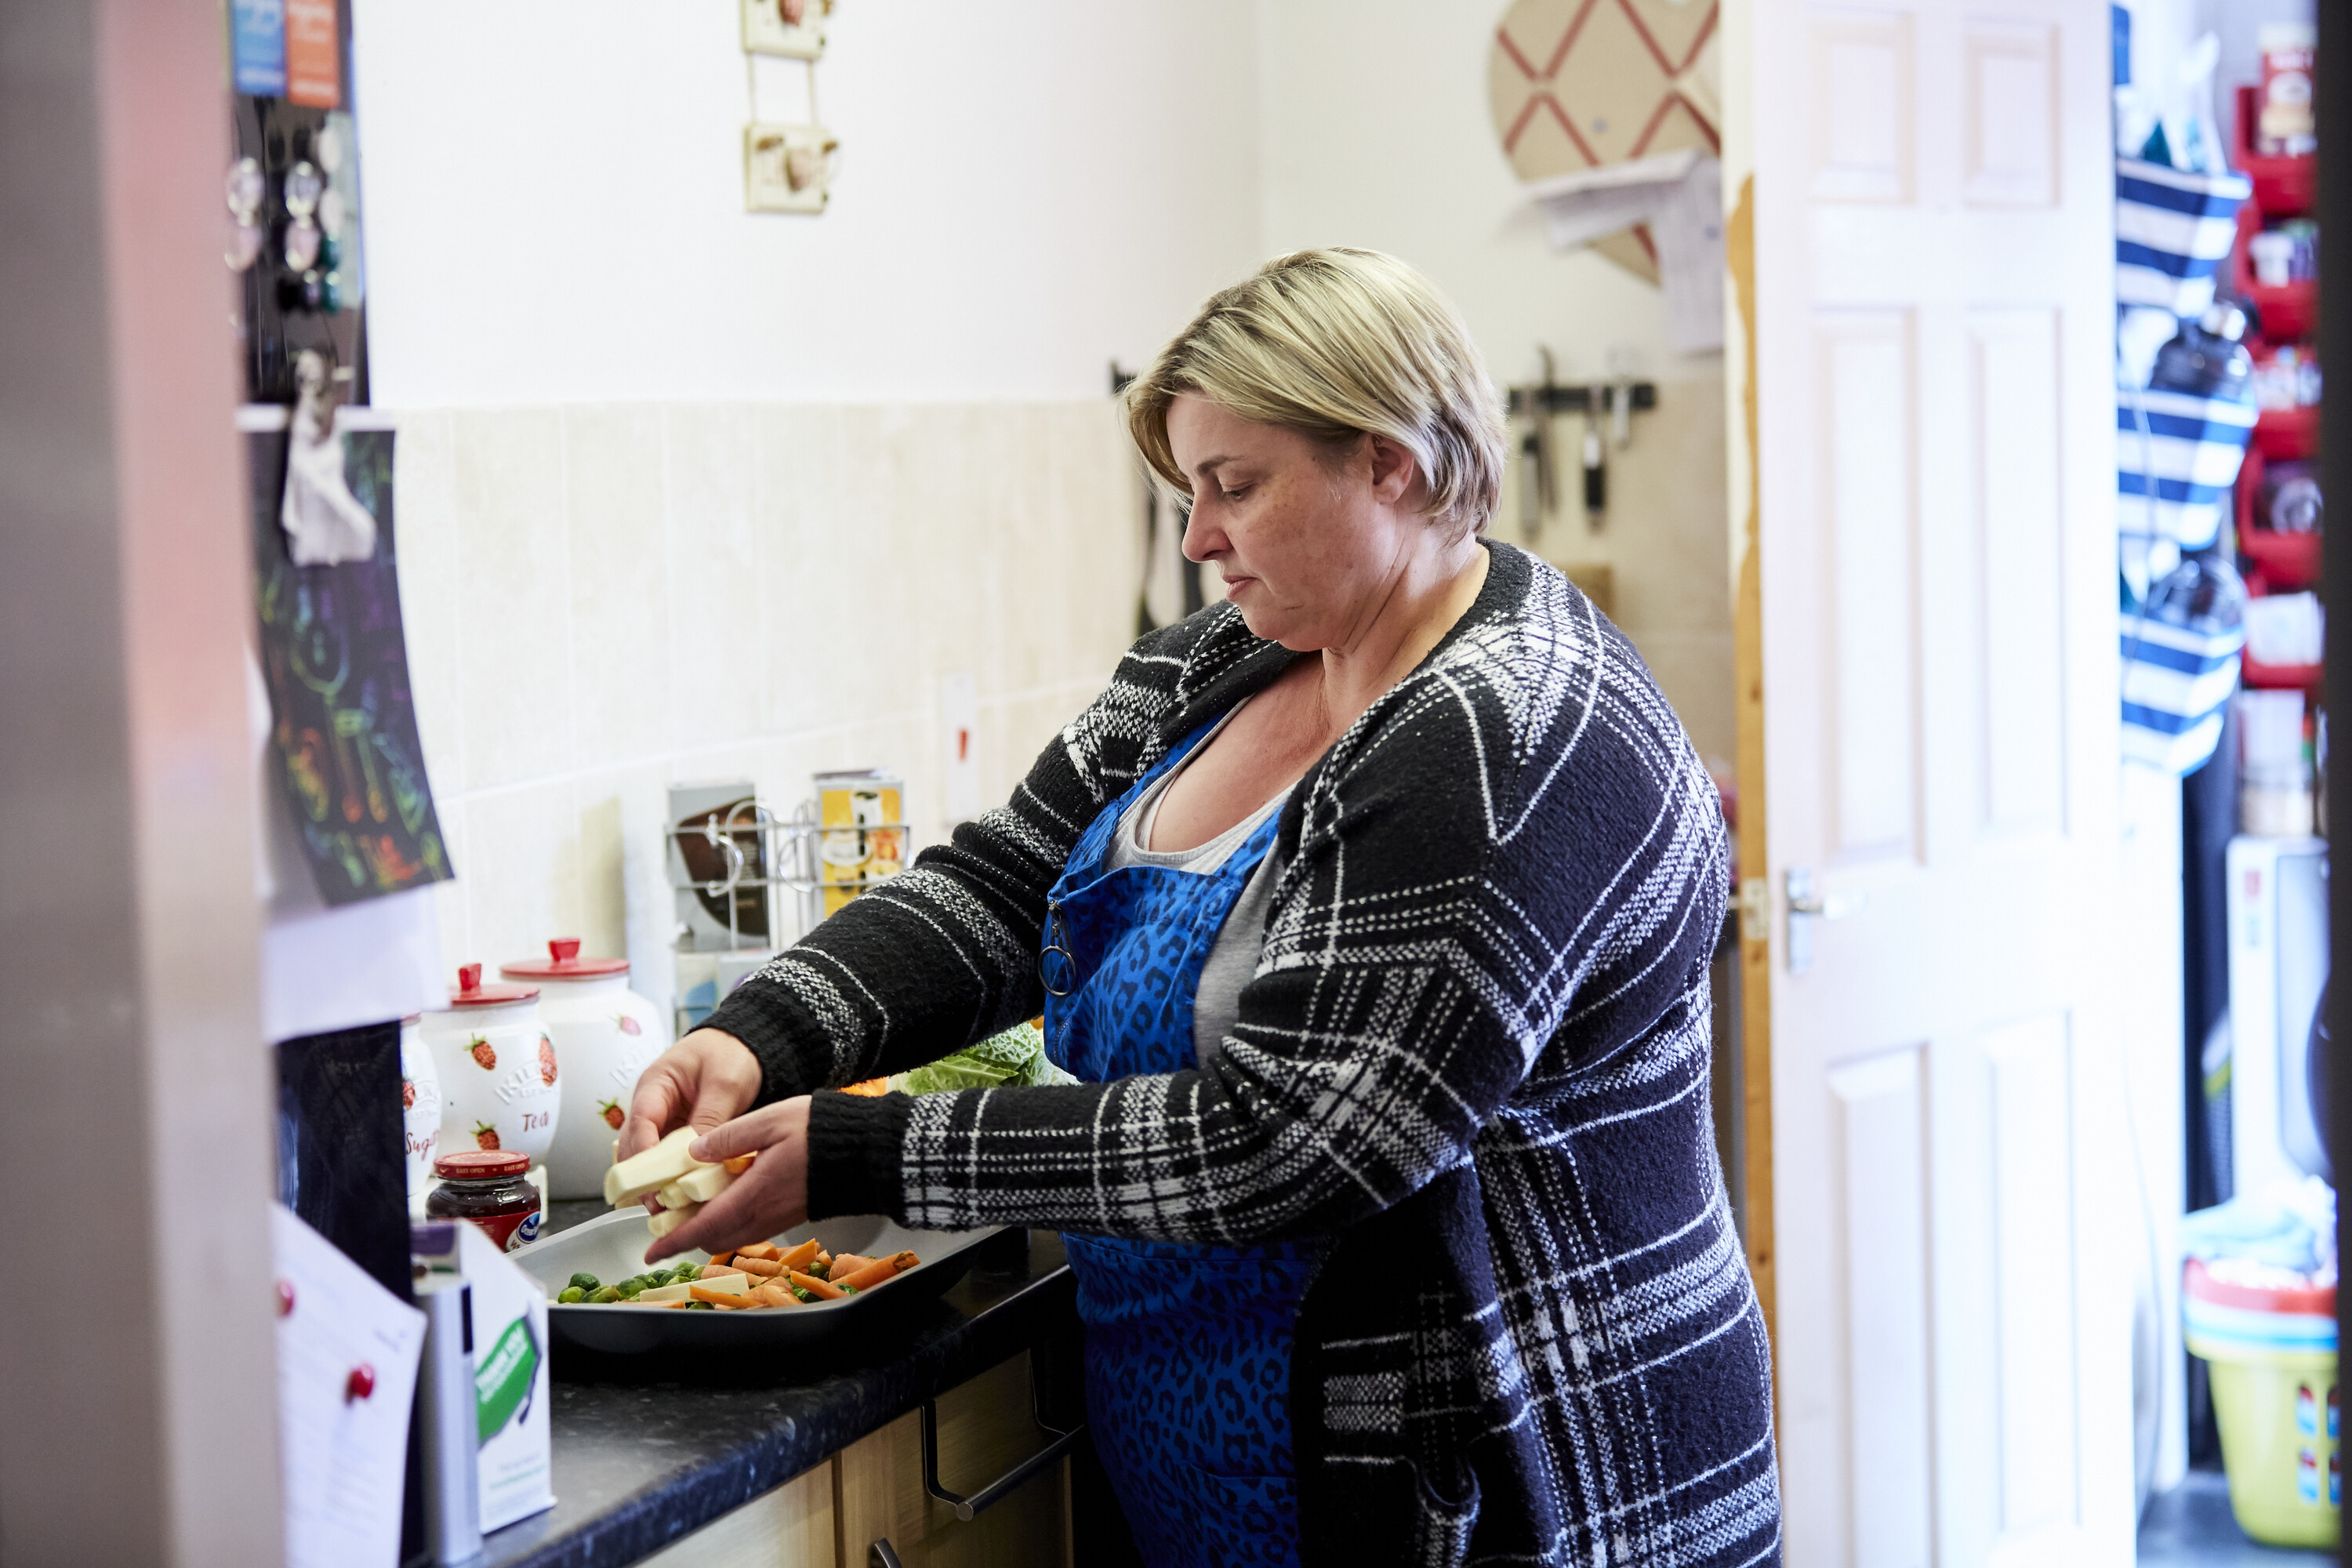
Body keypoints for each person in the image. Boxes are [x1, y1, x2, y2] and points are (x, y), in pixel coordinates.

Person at [623, 248, 1780, 1566]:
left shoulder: (1498, 734)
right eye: (1187, 492)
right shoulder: (1227, 660)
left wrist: (867, 1154)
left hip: (1523, 1478)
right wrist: (767, 1033)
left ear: (1389, 462)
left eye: (1235, 486)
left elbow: (1296, 1144)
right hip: (1211, 1462)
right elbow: (1008, 879)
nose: (1197, 539)